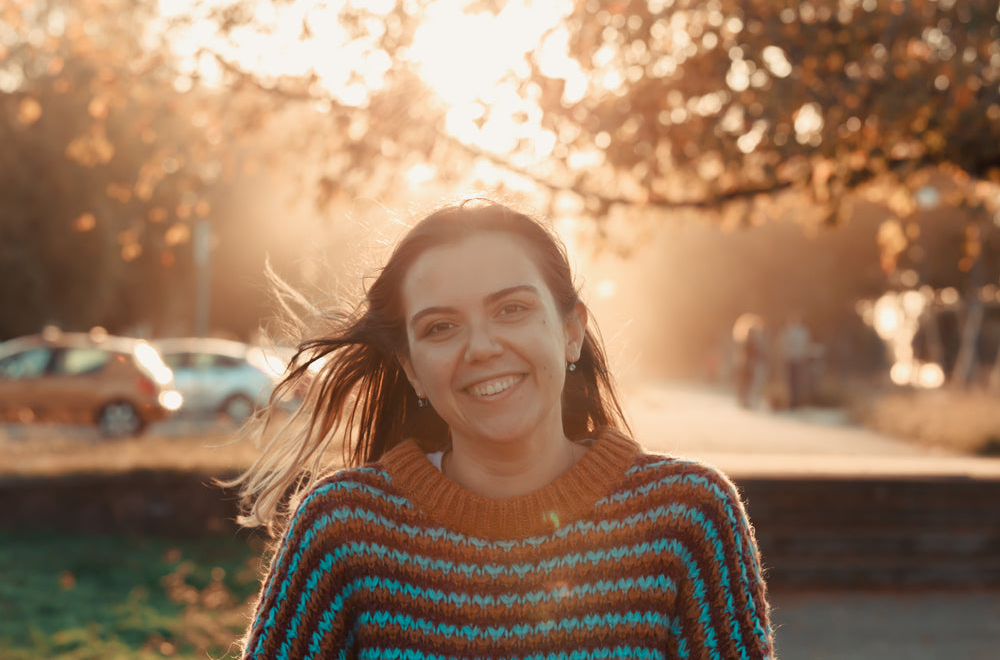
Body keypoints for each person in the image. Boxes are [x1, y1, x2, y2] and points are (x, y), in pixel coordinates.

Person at [230, 200, 774, 659]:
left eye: (511, 309)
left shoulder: (689, 517)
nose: (483, 348)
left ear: (570, 332)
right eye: (441, 327)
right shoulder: (342, 529)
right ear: (412, 368)